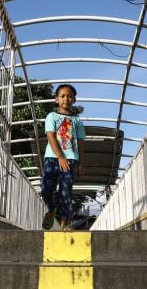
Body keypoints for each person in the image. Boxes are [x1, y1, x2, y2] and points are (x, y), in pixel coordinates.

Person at [41, 84, 85, 231]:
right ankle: (52, 208)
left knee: (66, 192)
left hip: (71, 160)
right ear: (56, 99)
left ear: (73, 100)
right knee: (46, 189)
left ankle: (63, 225)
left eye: (69, 96)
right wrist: (60, 156)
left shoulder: (77, 121)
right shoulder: (51, 116)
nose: (66, 98)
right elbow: (51, 136)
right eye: (62, 96)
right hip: (52, 158)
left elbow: (80, 143)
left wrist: (80, 163)